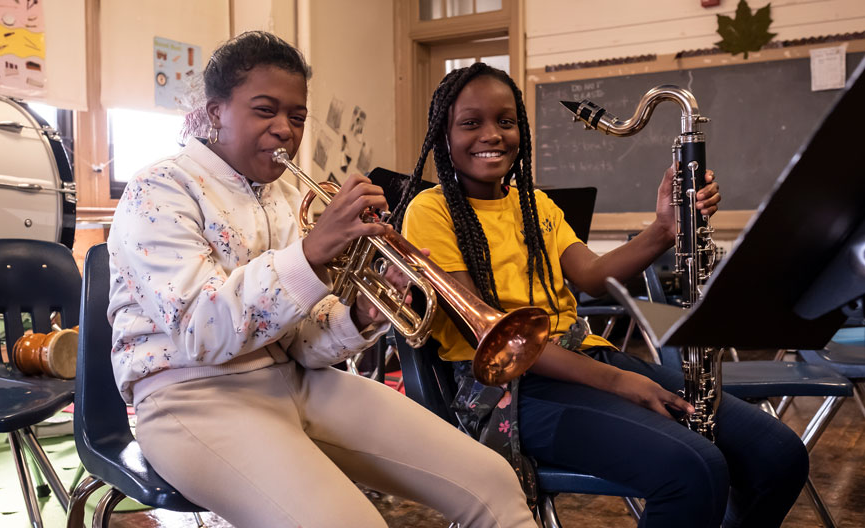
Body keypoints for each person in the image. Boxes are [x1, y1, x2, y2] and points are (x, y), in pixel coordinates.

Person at [106, 33, 537, 528]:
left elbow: (304, 347)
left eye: (296, 117)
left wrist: (362, 313)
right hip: (190, 397)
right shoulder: (159, 189)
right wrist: (310, 255)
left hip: (296, 382)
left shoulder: (289, 196)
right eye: (264, 111)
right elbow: (200, 332)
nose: (284, 130)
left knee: (492, 479)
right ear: (216, 111)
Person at [394, 62, 809, 528]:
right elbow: (497, 335)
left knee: (779, 454)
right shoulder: (429, 210)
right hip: (508, 389)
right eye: (471, 123)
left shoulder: (537, 204)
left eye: (505, 121)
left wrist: (665, 228)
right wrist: (616, 382)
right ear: (442, 136)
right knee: (693, 467)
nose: (492, 134)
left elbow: (592, 275)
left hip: (584, 360)